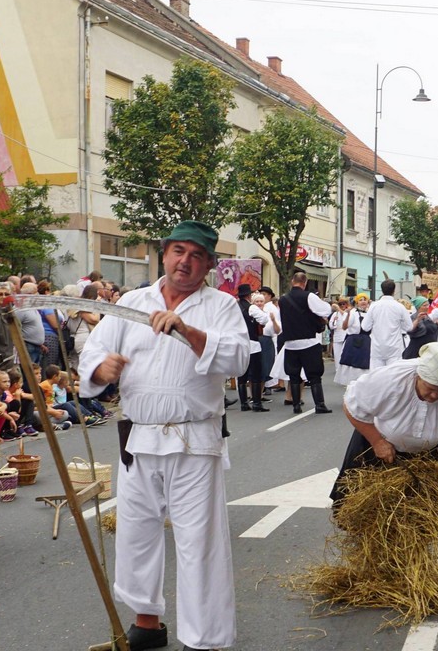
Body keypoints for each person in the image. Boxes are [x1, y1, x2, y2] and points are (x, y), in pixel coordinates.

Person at [78, 220, 249, 651]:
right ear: (165, 253)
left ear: (209, 264)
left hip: (195, 440)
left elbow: (239, 359)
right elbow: (93, 350)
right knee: (137, 532)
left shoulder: (221, 307)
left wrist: (188, 332)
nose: (184, 262)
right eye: (178, 251)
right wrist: (100, 370)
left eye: (196, 255)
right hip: (138, 438)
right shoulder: (134, 302)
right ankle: (147, 622)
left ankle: (203, 639)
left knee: (199, 542)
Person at [330, 342, 438, 508]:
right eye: (430, 388)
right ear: (419, 376)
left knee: (435, 515)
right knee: (371, 510)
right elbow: (351, 405)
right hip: (380, 448)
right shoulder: (390, 379)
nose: (434, 395)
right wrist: (377, 442)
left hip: (429, 459)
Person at [278, 270, 333, 413]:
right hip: (308, 341)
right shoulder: (308, 296)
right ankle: (320, 405)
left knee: (294, 376)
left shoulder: (283, 299)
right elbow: (325, 310)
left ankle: (296, 406)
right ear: (305, 283)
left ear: (292, 281)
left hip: (290, 343)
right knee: (314, 375)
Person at [361, 279, 411, 368]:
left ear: (382, 290)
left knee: (376, 376)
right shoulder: (399, 307)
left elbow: (365, 327)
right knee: (393, 376)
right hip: (394, 348)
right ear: (394, 291)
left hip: (377, 347)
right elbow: (409, 327)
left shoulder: (374, 306)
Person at [236, 284, 269, 411]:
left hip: (238, 343)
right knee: (256, 374)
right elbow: (264, 319)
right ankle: (256, 403)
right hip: (252, 343)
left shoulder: (235, 307)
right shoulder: (251, 308)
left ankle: (244, 403)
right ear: (249, 295)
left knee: (241, 375)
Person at [334, 294, 371, 388]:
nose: (363, 302)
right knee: (352, 365)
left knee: (365, 364)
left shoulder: (370, 313)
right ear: (357, 302)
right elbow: (344, 327)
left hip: (366, 341)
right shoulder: (353, 312)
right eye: (361, 300)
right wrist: (348, 315)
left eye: (365, 300)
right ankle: (351, 387)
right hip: (353, 342)